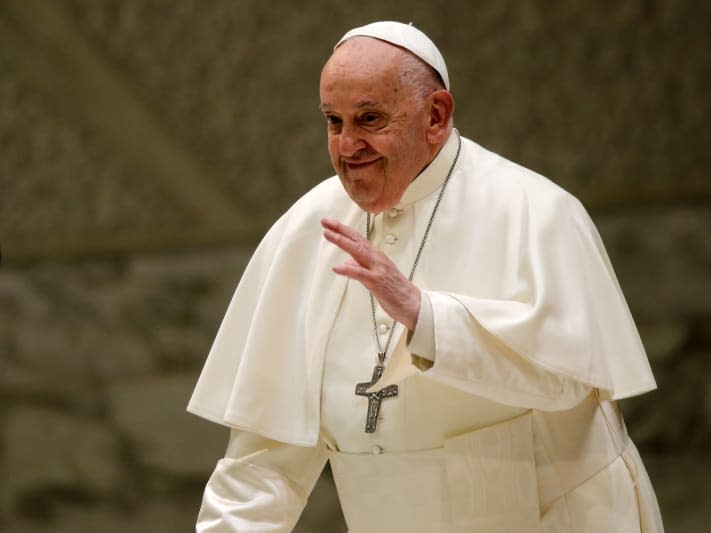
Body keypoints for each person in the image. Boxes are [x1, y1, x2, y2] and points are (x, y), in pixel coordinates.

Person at [188, 21, 663, 533]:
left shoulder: (536, 211)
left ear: (435, 115)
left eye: (369, 119)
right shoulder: (308, 230)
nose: (348, 146)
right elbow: (264, 460)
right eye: (333, 121)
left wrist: (426, 316)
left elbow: (570, 377)